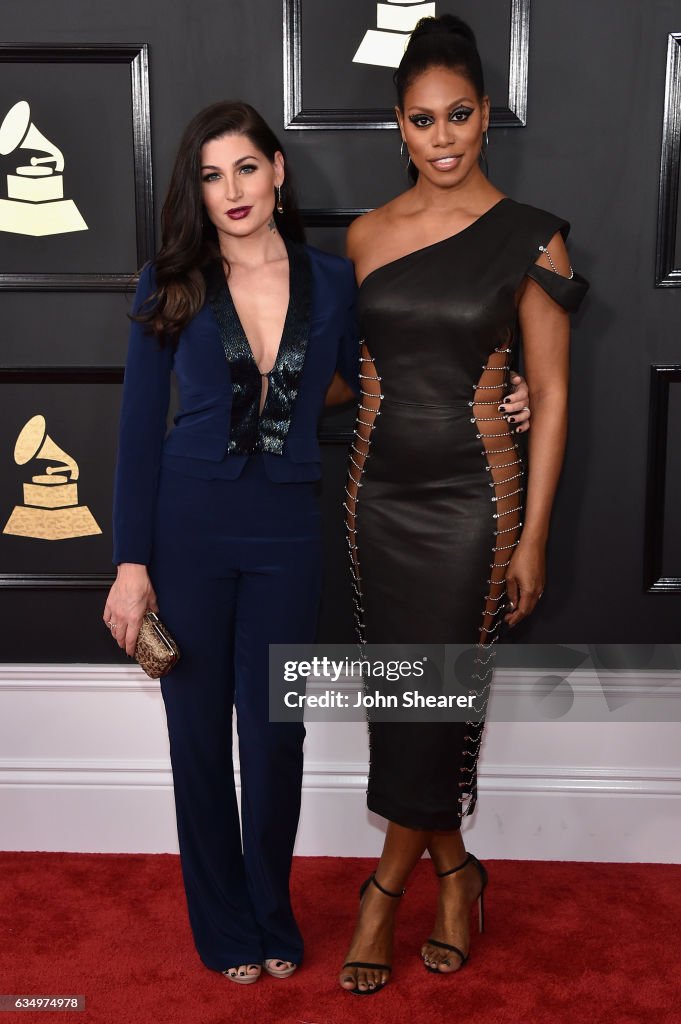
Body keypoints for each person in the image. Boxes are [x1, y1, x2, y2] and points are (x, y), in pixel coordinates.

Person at [340, 15, 588, 994]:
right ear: (397, 128)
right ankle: (458, 870)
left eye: (458, 115)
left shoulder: (537, 238)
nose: (441, 137)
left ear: (487, 116)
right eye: (420, 120)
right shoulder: (364, 236)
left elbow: (554, 394)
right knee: (403, 702)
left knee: (435, 700)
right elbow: (344, 373)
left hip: (474, 504)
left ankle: (384, 893)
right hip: (375, 498)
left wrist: (534, 541)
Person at [102, 101, 360, 985]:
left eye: (245, 168)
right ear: (197, 191)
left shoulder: (333, 280)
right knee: (199, 737)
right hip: (188, 528)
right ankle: (220, 923)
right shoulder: (167, 281)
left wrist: (502, 394)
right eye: (211, 176)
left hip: (290, 527)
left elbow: (360, 384)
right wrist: (130, 566)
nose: (232, 191)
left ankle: (270, 909)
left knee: (277, 735)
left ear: (278, 170)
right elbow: (139, 431)